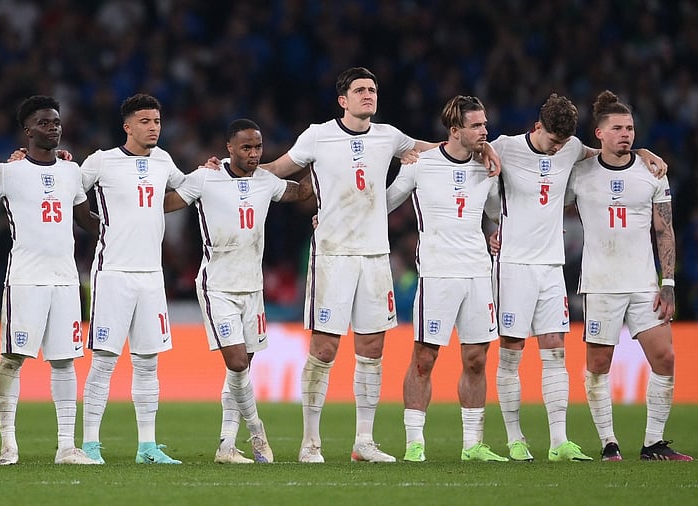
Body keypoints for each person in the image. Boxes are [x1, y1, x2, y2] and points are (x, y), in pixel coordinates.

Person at [258, 67, 500, 463]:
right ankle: (310, 443)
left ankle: (364, 442)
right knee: (324, 347)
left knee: (372, 348)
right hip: (333, 253)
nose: (368, 95)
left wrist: (482, 148)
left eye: (372, 89)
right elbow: (281, 167)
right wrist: (237, 171)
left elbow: (437, 148)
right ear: (343, 100)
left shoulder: (389, 136)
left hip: (375, 255)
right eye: (360, 90)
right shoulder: (318, 135)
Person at [490, 94, 667, 462]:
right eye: (552, 141)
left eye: (562, 143)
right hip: (513, 265)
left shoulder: (570, 149)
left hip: (552, 265)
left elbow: (606, 153)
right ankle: (515, 438)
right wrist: (491, 225)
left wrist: (645, 151)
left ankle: (559, 443)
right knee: (511, 354)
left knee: (555, 350)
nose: (557, 149)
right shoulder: (504, 147)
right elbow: (473, 177)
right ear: (536, 127)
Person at [164, 119, 312, 464]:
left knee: (240, 367)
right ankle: (258, 433)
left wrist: (323, 165)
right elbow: (169, 202)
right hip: (217, 286)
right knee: (236, 361)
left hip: (252, 288)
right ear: (229, 148)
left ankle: (227, 445)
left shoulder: (265, 181)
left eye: (258, 147)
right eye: (246, 147)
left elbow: (299, 193)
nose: (254, 154)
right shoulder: (205, 178)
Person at [0, 95, 101, 465]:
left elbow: (86, 220)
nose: (54, 128)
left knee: (64, 362)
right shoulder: (8, 172)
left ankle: (66, 446)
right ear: (28, 130)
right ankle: (8, 445)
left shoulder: (71, 171)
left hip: (65, 280)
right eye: (45, 123)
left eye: (57, 122)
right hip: (25, 280)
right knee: (12, 359)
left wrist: (124, 222)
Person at [567, 90, 692, 461]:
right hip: (601, 285)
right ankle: (609, 443)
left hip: (643, 284)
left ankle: (653, 442)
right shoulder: (580, 173)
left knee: (665, 359)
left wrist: (668, 284)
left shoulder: (652, 172)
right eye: (618, 128)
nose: (626, 134)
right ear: (599, 134)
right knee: (598, 365)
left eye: (631, 128)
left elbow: (664, 230)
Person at [386, 95, 507, 463]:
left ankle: (472, 446)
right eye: (476, 125)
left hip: (477, 274)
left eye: (485, 124)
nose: (485, 131)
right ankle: (414, 443)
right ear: (455, 130)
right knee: (424, 358)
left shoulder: (488, 169)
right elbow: (386, 202)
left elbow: (495, 212)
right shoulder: (421, 164)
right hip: (437, 274)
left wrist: (498, 231)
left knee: (476, 359)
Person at [79, 94, 186, 465]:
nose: (153, 127)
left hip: (151, 276)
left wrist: (208, 171)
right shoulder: (102, 161)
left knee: (147, 362)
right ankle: (90, 445)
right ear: (127, 126)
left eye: (156, 120)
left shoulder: (164, 161)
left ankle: (147, 447)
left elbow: (183, 191)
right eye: (144, 121)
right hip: (113, 274)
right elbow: (69, 189)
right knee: (105, 361)